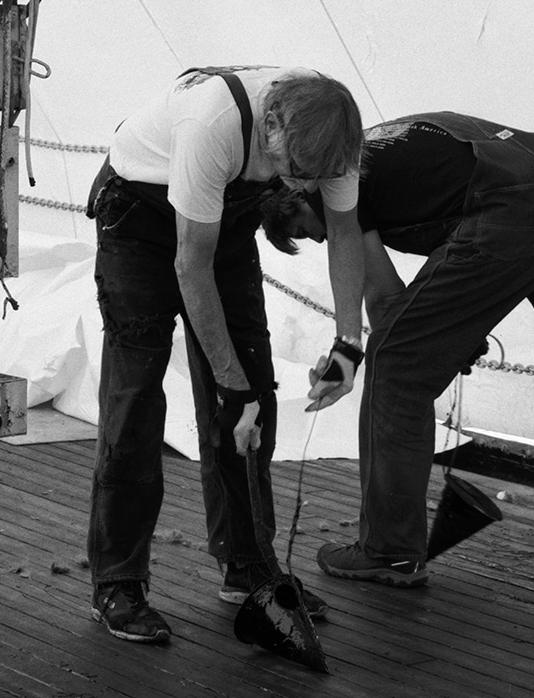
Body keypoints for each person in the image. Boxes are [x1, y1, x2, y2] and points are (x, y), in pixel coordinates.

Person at [266, 112, 534, 587]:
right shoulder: (381, 141)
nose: (319, 239)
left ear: (299, 193)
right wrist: (447, 338)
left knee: (394, 369)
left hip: (508, 209)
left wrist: (350, 362)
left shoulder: (335, 190)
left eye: (303, 230)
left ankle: (390, 550)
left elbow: (385, 303)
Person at [84, 66, 371, 644]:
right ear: (270, 125)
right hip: (139, 221)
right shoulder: (213, 121)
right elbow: (191, 265)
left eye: (313, 180)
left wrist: (347, 343)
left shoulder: (329, 137)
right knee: (135, 399)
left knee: (254, 401)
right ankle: (118, 580)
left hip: (223, 225)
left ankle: (249, 566)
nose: (302, 188)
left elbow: (343, 234)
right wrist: (228, 385)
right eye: (293, 174)